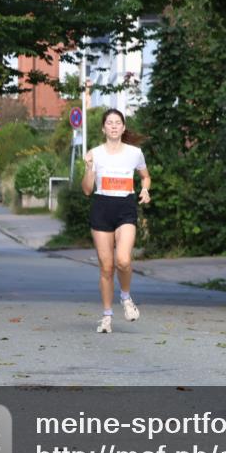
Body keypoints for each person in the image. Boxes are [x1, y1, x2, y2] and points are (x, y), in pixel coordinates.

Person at [81, 109, 150, 334]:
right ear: (103, 128)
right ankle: (107, 316)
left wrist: (145, 190)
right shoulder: (95, 153)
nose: (113, 126)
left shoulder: (135, 153)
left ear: (123, 127)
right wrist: (90, 168)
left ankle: (126, 297)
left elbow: (145, 176)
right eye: (109, 123)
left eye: (117, 122)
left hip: (125, 209)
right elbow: (87, 190)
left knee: (123, 260)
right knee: (107, 267)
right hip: (102, 208)